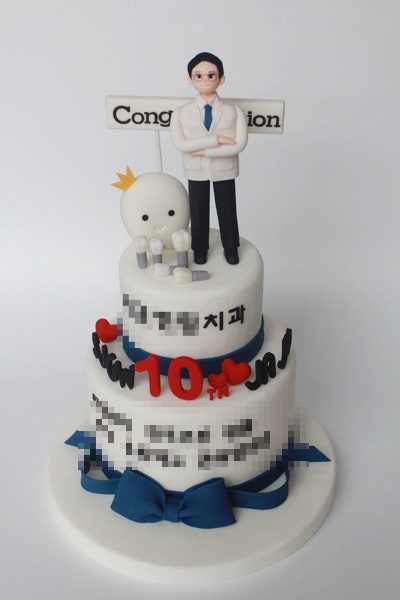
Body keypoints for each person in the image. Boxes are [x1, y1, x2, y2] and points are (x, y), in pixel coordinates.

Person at [170, 52, 248, 265]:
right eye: (199, 76)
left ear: (221, 79)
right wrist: (217, 140)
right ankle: (199, 249)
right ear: (190, 79)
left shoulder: (234, 111)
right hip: (195, 169)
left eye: (211, 75)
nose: (205, 80)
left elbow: (239, 145)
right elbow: (181, 144)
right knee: (197, 210)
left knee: (227, 209)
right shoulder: (180, 113)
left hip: (225, 168)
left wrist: (202, 151)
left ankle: (231, 247)